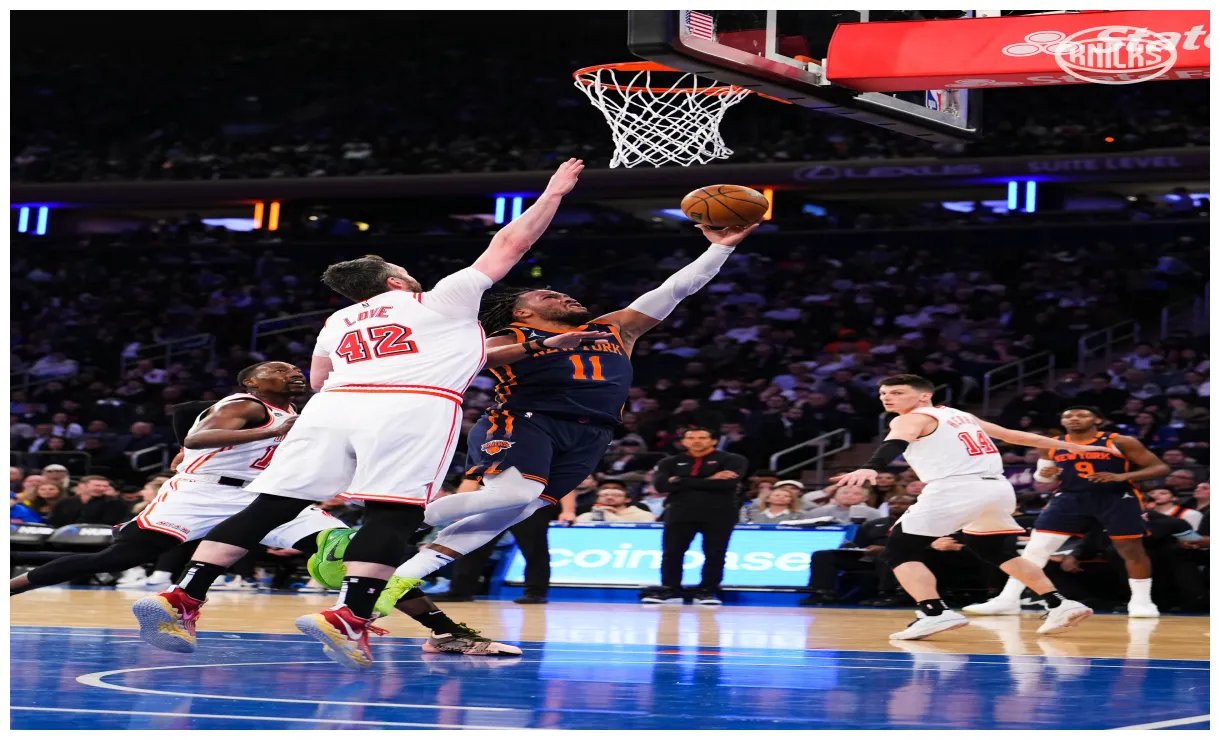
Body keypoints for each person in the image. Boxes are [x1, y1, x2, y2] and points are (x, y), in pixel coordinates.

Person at [129, 160, 584, 669]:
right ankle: (349, 615)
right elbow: (511, 243)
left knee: (268, 509)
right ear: (395, 280)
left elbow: (319, 381)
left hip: (331, 408)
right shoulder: (438, 298)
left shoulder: (336, 321)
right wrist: (554, 192)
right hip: (411, 406)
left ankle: (183, 598)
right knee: (392, 513)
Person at [374, 222, 757, 615]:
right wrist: (545, 344)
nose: (564, 296)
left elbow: (676, 288)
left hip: (594, 434)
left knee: (513, 511)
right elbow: (478, 359)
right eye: (549, 295)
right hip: (525, 420)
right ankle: (388, 525)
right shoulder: (510, 334)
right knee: (515, 495)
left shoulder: (615, 328)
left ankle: (397, 581)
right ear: (525, 312)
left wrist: (720, 250)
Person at [835, 375, 1107, 640]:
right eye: (884, 393)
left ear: (924, 396)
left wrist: (871, 466)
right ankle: (1059, 604)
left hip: (955, 488)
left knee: (897, 551)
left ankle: (934, 612)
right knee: (993, 550)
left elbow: (894, 443)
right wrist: (1069, 447)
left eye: (897, 393)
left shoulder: (910, 418)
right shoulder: (959, 415)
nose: (887, 398)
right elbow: (1013, 436)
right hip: (996, 488)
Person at [966, 405, 1170, 618]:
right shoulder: (1051, 444)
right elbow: (1043, 479)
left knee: (1130, 549)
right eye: (1068, 416)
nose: (1074, 418)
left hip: (1116, 496)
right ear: (1062, 422)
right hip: (1070, 497)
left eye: (1081, 415)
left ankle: (1141, 602)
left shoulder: (1119, 441)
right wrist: (1047, 474)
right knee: (1035, 549)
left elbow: (1160, 468)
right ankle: (1008, 599)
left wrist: (1122, 477)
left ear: (1098, 421)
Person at [643, 428, 749, 605]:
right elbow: (661, 486)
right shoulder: (669, 462)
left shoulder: (733, 460)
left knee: (715, 553)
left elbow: (726, 484)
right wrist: (710, 479)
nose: (696, 441)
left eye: (702, 437)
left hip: (720, 513)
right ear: (683, 442)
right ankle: (671, 589)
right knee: (672, 552)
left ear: (713, 441)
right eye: (691, 438)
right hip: (679, 512)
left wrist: (677, 480)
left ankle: (707, 590)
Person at [800, 494, 916, 605]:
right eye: (892, 503)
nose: (895, 506)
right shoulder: (873, 524)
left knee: (884, 554)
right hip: (870, 559)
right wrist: (849, 547)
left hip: (905, 560)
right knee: (822, 555)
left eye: (902, 503)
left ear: (914, 505)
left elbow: (925, 546)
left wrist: (886, 548)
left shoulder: (922, 524)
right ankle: (823, 593)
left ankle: (887, 594)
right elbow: (859, 544)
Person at [577, 485, 658, 523]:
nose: (609, 498)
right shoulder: (586, 516)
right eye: (604, 495)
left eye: (616, 495)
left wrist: (607, 514)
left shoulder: (643, 515)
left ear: (627, 499)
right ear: (598, 499)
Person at [804, 485, 882, 523]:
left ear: (865, 498)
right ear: (835, 496)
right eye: (845, 493)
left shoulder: (873, 513)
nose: (850, 496)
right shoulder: (820, 511)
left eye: (857, 494)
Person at [740, 483, 804, 524]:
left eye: (786, 496)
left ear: (791, 500)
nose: (781, 497)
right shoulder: (753, 513)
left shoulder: (800, 514)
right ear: (768, 499)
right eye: (777, 495)